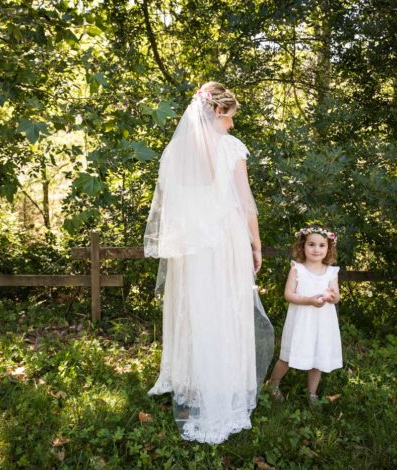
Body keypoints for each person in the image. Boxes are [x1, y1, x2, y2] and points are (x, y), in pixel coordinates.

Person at [144, 81, 274, 444]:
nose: (233, 125)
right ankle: (224, 389)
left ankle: (193, 381)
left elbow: (172, 207)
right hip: (226, 240)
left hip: (191, 246)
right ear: (218, 112)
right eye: (231, 117)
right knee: (225, 309)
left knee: (196, 310)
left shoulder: (175, 153)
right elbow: (247, 204)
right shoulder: (230, 148)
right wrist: (257, 244)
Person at [266, 224, 342, 403]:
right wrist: (309, 300)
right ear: (302, 246)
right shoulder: (297, 269)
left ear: (328, 248)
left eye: (321, 245)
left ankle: (312, 393)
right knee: (288, 355)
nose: (316, 249)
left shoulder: (331, 272)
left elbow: (336, 296)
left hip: (322, 321)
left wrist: (330, 297)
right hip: (301, 320)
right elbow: (289, 295)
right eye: (311, 244)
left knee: (318, 356)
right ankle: (272, 384)